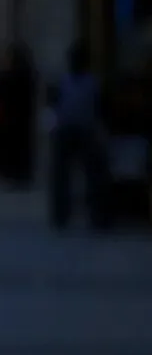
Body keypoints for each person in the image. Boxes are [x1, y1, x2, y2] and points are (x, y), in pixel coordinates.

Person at [47, 42, 107, 229]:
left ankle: (95, 214)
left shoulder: (91, 83)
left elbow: (100, 108)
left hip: (83, 131)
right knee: (62, 175)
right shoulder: (69, 82)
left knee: (91, 175)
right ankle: (62, 214)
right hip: (69, 130)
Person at [0, 43, 38, 186]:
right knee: (22, 147)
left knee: (12, 148)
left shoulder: (9, 76)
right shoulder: (28, 75)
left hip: (12, 118)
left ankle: (13, 174)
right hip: (23, 119)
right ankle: (22, 174)